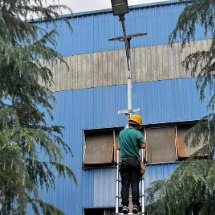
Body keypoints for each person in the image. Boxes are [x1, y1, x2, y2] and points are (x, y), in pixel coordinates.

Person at [119, 115, 146, 214]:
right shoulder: (137, 133)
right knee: (135, 184)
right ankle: (135, 205)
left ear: (129, 122)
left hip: (124, 161)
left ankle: (125, 206)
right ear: (138, 125)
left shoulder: (121, 133)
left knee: (125, 185)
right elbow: (143, 146)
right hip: (134, 161)